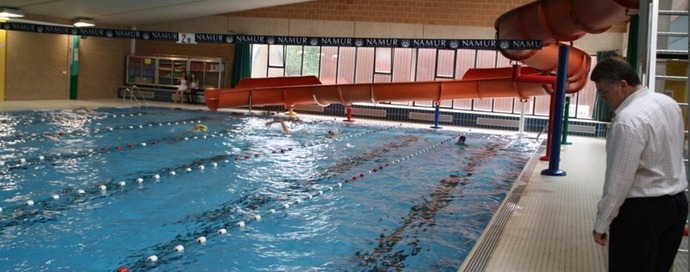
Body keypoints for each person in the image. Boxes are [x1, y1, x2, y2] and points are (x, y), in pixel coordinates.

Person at [590, 57, 687, 272]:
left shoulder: (627, 120)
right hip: (677, 205)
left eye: (604, 92)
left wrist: (602, 222)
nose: (604, 99)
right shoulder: (668, 103)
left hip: (642, 213)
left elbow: (618, 183)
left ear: (623, 85)